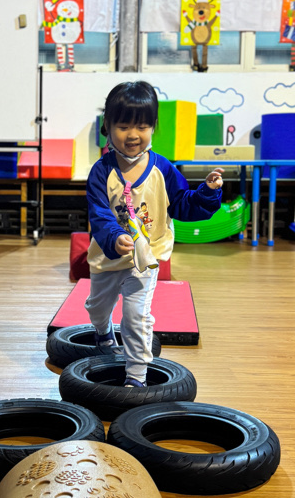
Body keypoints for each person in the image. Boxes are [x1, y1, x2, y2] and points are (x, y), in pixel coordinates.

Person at [85, 81, 223, 388]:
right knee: (98, 307)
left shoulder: (163, 169)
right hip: (108, 255)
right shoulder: (101, 172)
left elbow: (183, 204)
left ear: (153, 126)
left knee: (136, 315)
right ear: (108, 126)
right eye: (123, 127)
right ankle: (103, 331)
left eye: (142, 127)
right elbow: (99, 212)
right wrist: (113, 236)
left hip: (146, 257)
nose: (133, 135)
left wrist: (207, 192)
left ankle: (136, 377)